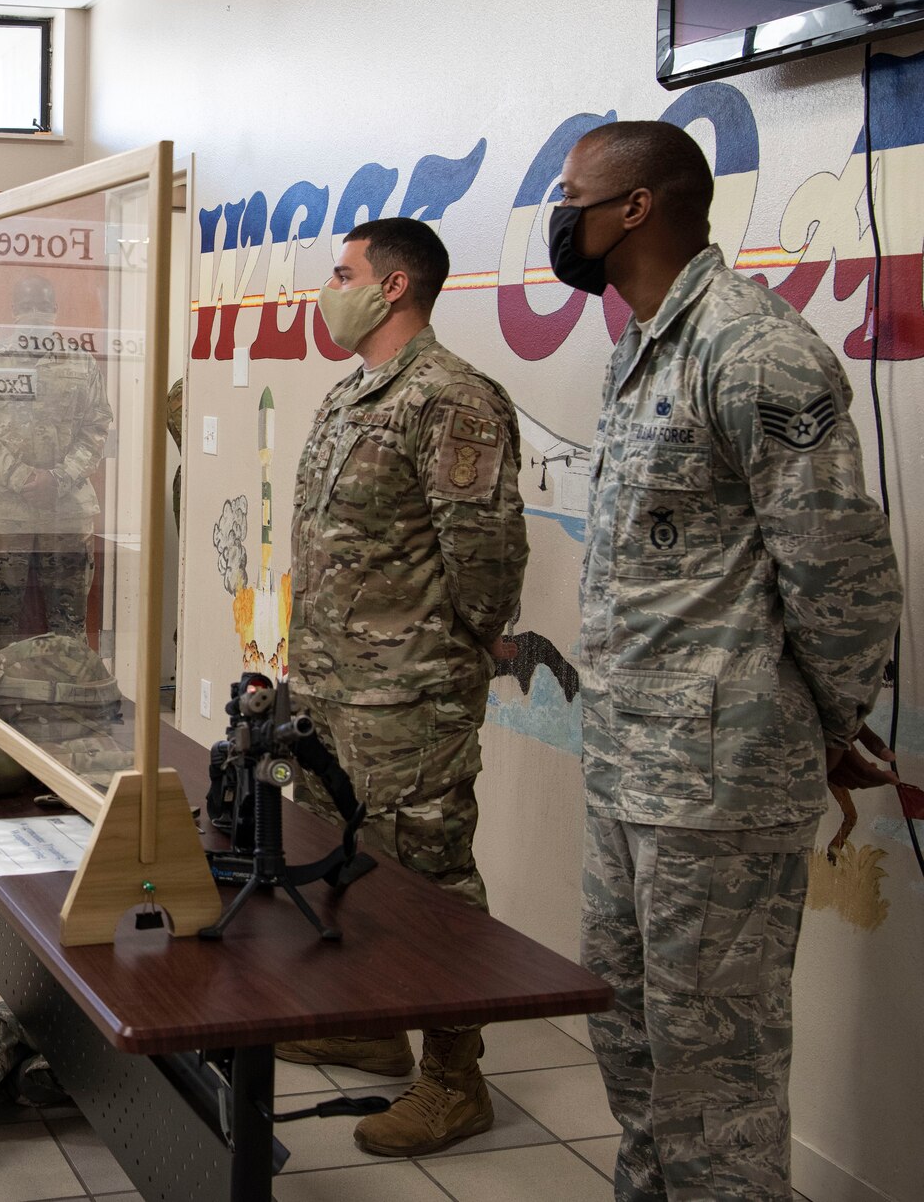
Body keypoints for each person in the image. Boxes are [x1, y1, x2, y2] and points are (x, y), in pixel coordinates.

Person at [554, 121, 901, 1202]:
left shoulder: (752, 350)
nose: (562, 216)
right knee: (629, 1039)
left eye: (574, 197)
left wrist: (822, 725)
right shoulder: (643, 342)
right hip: (629, 772)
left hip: (718, 782)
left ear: (635, 209)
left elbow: (839, 572)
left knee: (717, 1079)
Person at [283, 216, 529, 1156]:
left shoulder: (449, 400)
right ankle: (366, 1021)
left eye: (342, 271)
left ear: (391, 286)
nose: (327, 287)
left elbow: (488, 563)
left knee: (433, 880)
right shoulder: (353, 395)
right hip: (332, 693)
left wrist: (442, 665)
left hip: (409, 701)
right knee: (340, 861)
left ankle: (456, 1079)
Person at [0, 275, 113, 648]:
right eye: (27, 306)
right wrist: (20, 477)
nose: (35, 314)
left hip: (66, 514)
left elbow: (97, 426)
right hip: (4, 512)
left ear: (56, 310)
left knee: (70, 629)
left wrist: (60, 478)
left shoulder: (82, 362)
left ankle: (68, 703)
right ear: (13, 311)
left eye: (43, 306)